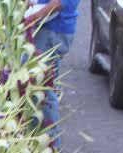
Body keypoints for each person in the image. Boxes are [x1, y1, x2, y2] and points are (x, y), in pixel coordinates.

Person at [26, 0, 78, 143]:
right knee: (41, 82)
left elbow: (59, 3)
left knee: (44, 86)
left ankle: (51, 140)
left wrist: (33, 17)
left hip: (53, 31)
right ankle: (40, 135)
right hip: (50, 28)